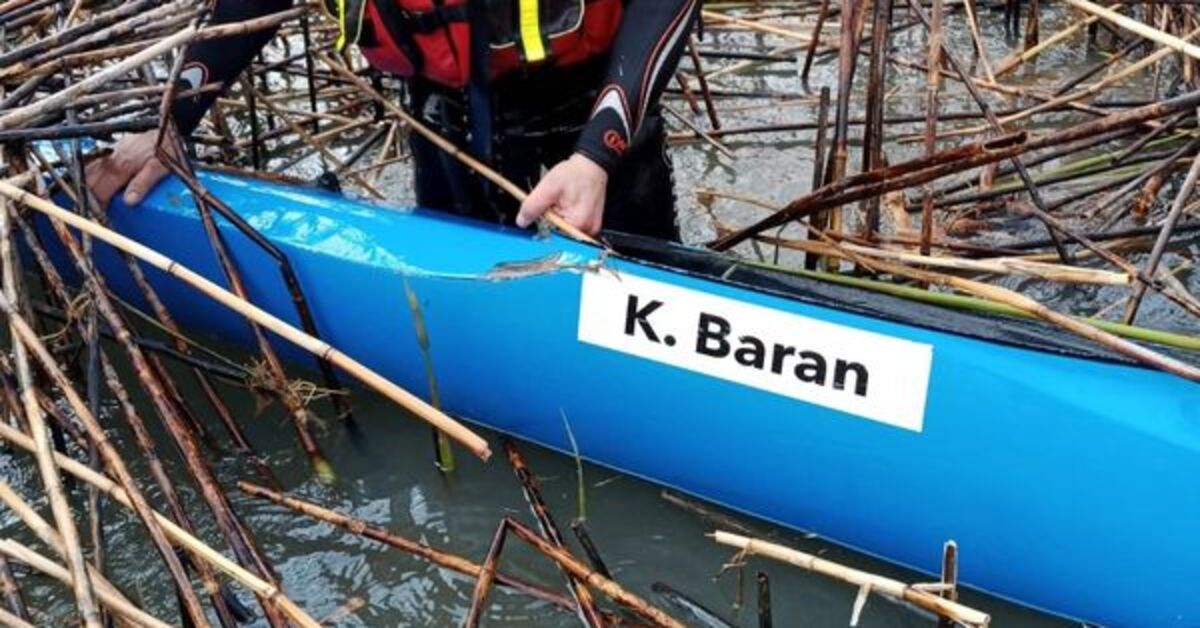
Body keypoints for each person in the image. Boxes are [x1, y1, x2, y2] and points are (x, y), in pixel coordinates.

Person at [86, 0, 700, 240]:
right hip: (448, 125)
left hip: (592, 117)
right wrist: (172, 123)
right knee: (461, 317)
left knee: (641, 262)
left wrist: (597, 153)